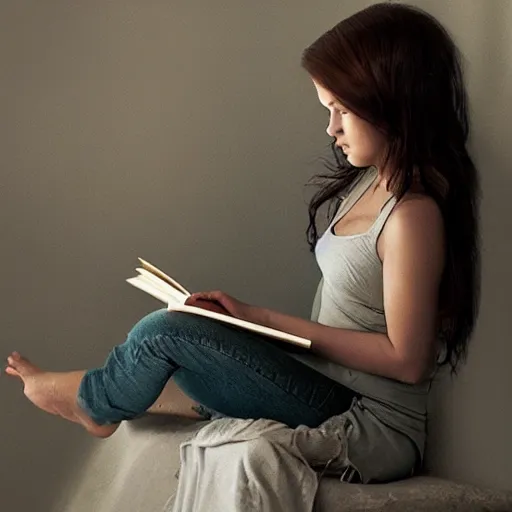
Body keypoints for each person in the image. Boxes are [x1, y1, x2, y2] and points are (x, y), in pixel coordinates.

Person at [6, 2, 479, 483]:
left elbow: (409, 360)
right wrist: (244, 324)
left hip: (369, 422)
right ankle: (123, 392)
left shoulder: (412, 216)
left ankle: (95, 405)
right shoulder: (368, 180)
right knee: (181, 341)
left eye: (342, 111)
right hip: (331, 384)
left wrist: (260, 318)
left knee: (163, 333)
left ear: (393, 102)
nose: (331, 129)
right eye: (328, 110)